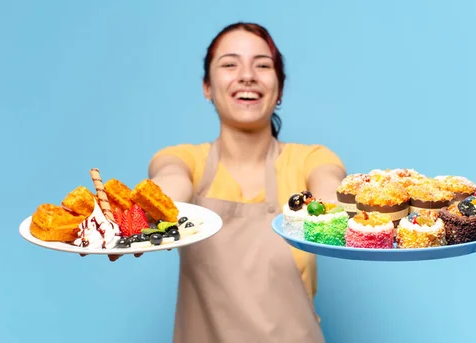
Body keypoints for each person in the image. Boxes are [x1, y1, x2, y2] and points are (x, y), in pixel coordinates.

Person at [122, 22, 346, 342]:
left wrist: (343, 212)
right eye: (229, 64)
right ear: (207, 87)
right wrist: (128, 224)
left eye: (263, 65)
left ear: (279, 88)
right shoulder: (185, 160)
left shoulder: (311, 159)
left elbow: (330, 190)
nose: (247, 75)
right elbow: (170, 185)